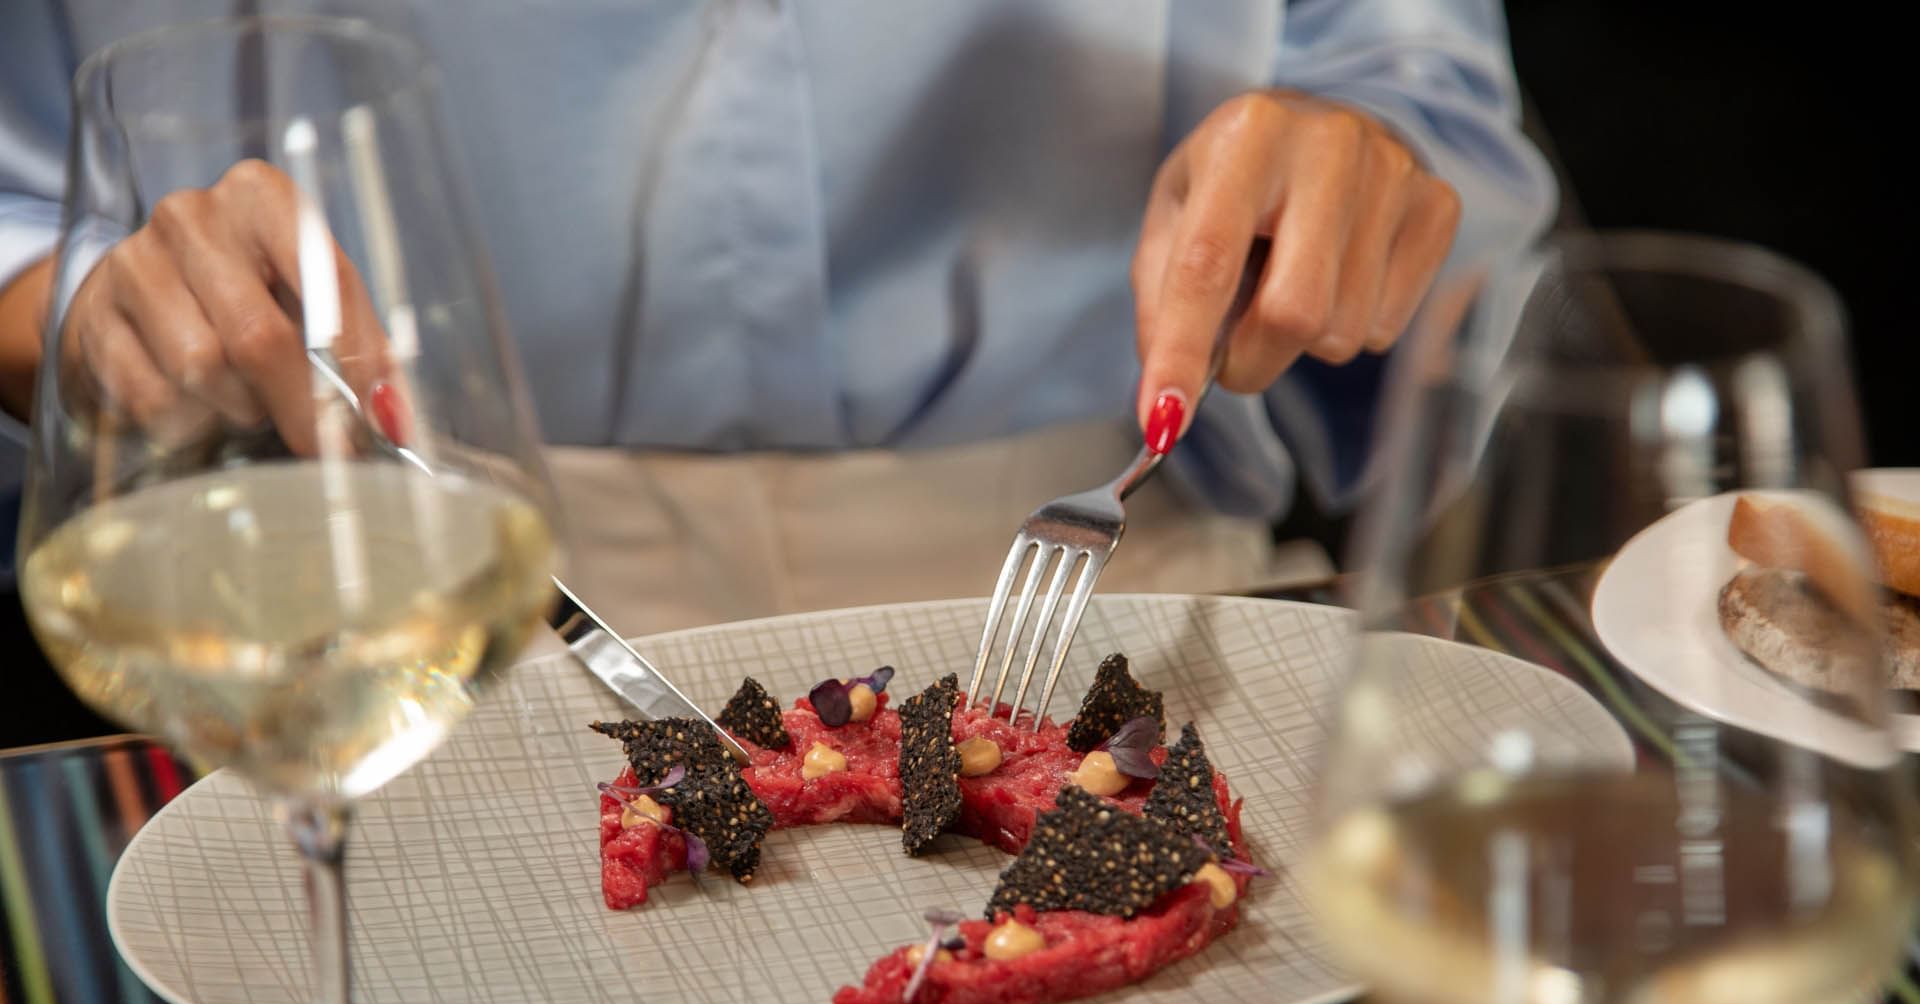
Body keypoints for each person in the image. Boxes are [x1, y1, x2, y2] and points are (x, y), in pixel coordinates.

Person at [0, 1, 1553, 644]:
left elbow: (1419, 99)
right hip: (382, 598)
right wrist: (106, 315)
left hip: (1135, 585)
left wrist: (1364, 167)